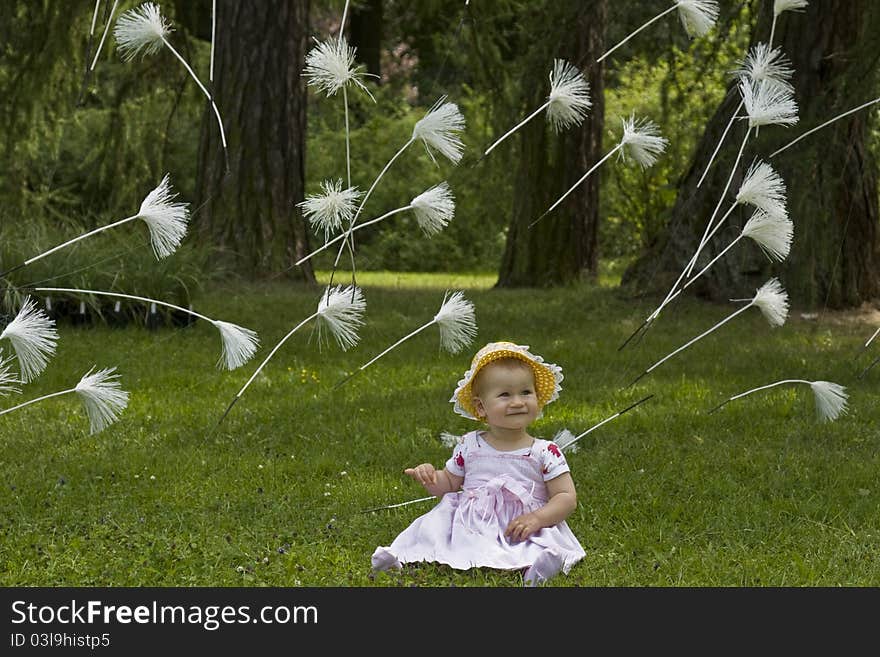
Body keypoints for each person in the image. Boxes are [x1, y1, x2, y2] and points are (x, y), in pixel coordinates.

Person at [371, 341, 586, 586]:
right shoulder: (469, 445)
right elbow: (449, 483)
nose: (517, 401)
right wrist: (431, 477)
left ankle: (539, 567)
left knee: (535, 543)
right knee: (434, 532)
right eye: (505, 395)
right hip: (473, 522)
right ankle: (402, 558)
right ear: (481, 407)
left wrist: (537, 518)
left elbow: (566, 497)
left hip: (522, 523)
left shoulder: (545, 451)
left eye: (526, 392)